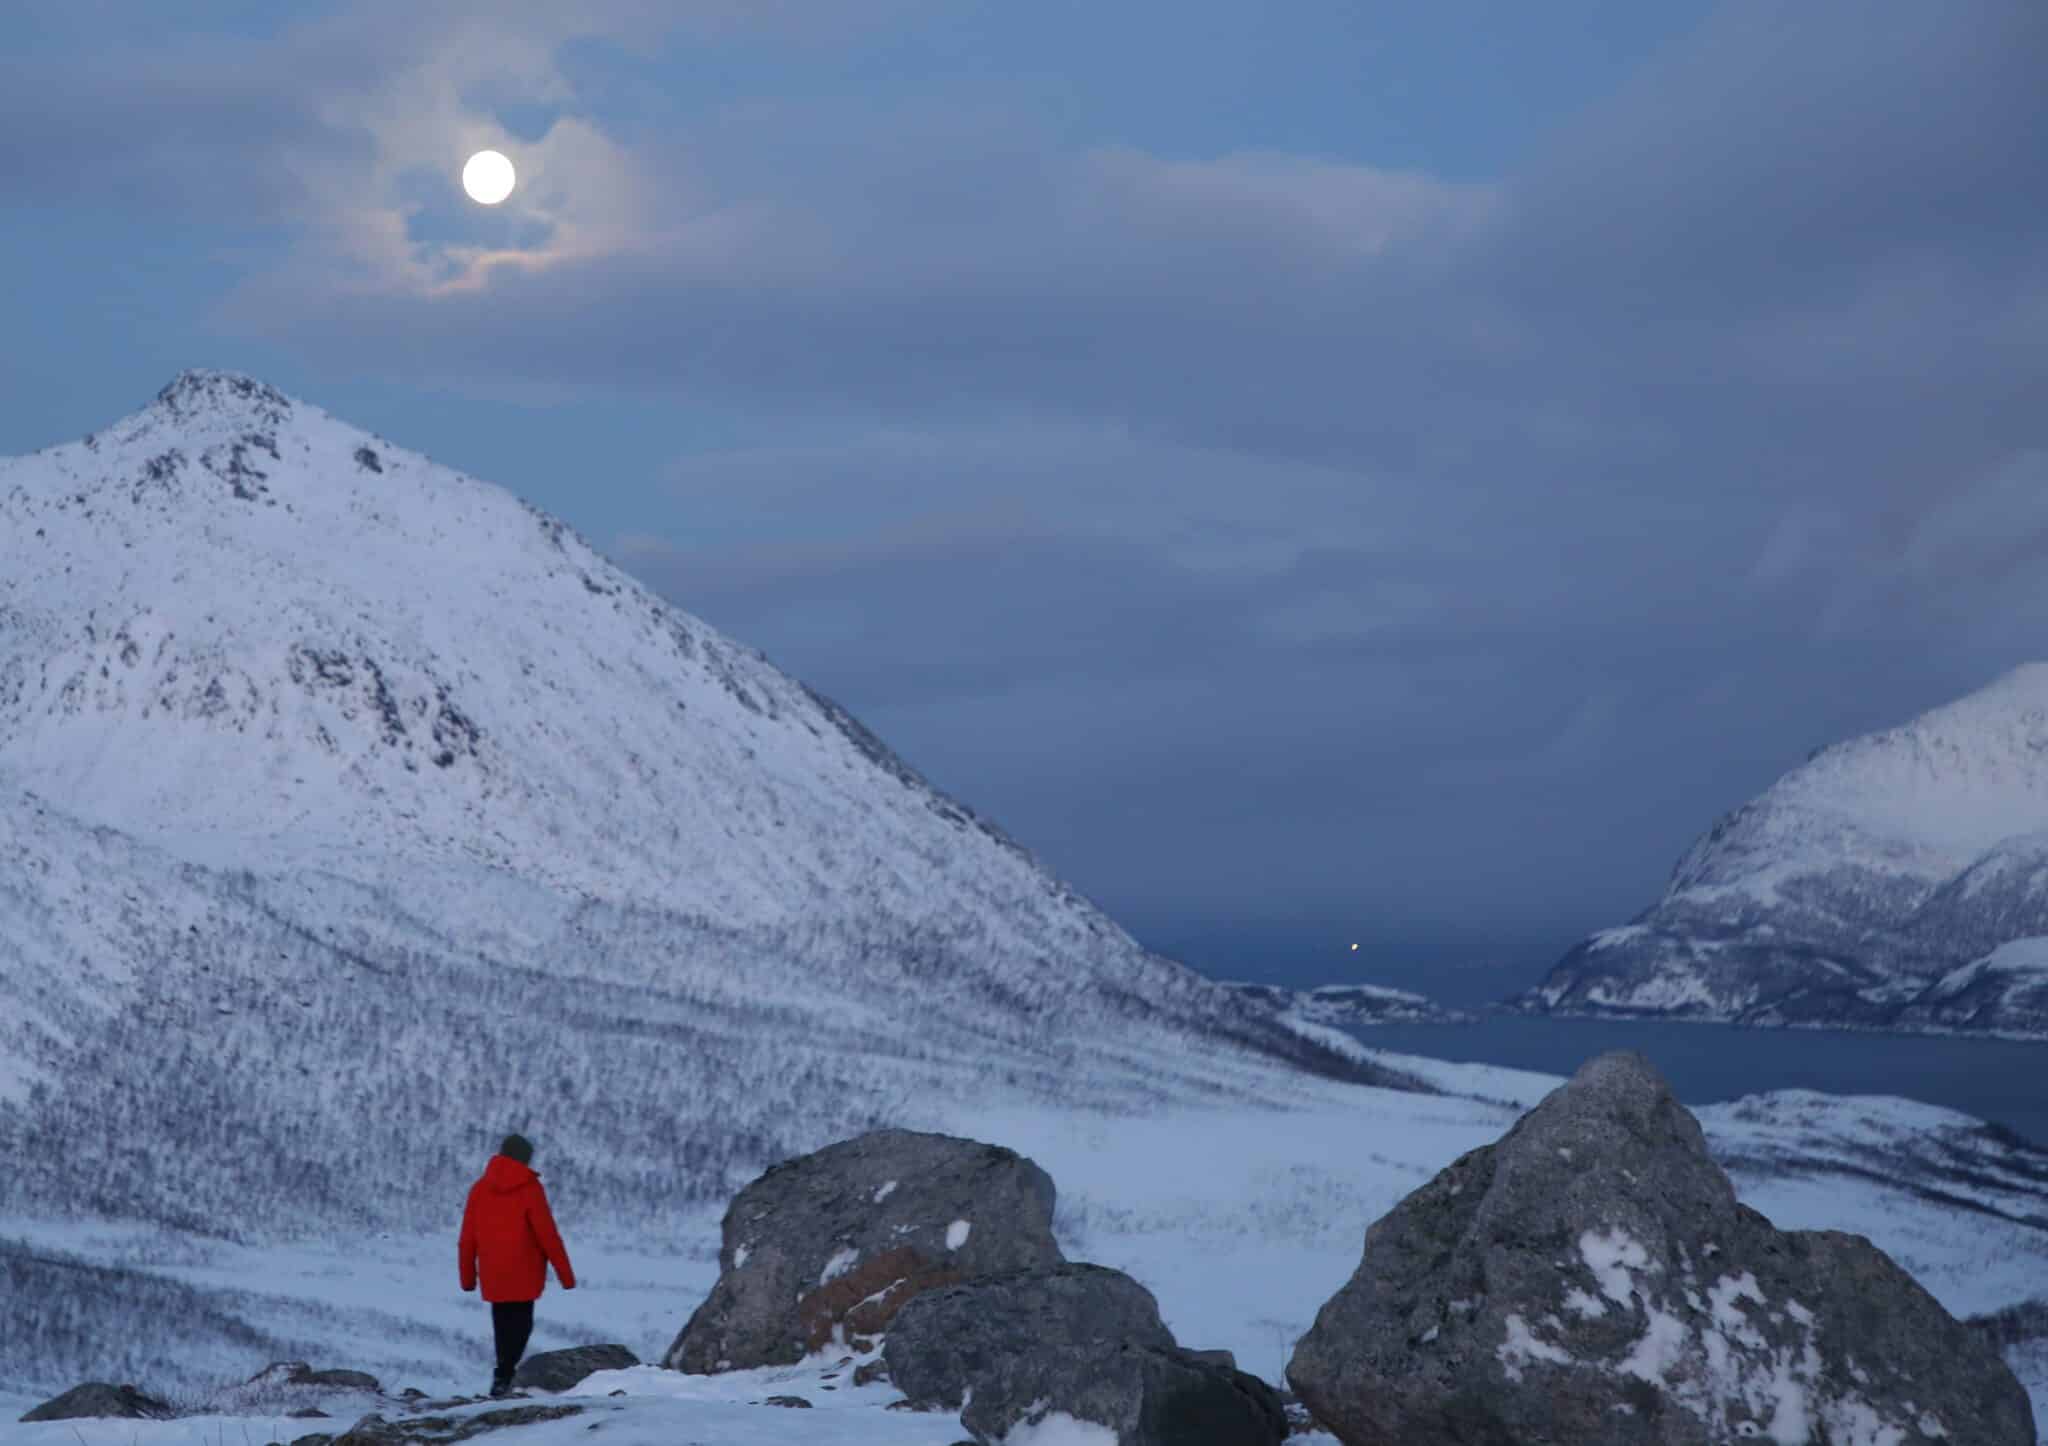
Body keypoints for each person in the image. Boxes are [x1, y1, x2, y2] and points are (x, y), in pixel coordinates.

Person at [458, 1133, 577, 1398]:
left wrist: (467, 1278)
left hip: (493, 1273)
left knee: (501, 1325)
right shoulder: (530, 1189)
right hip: (525, 1273)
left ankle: (502, 1375)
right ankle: (506, 1375)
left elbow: (467, 1238)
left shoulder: (479, 1189)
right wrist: (565, 1275)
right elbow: (547, 1235)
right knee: (521, 1325)